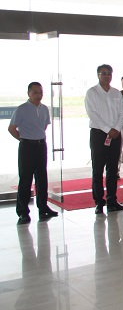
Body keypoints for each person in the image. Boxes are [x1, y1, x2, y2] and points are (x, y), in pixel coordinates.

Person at [9, 82, 58, 224]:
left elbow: (44, 127)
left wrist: (36, 138)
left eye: (40, 92)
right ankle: (23, 212)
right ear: (28, 93)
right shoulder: (21, 109)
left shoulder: (44, 109)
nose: (38, 95)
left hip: (41, 145)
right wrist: (24, 139)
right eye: (35, 92)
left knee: (42, 178)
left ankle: (43, 208)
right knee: (25, 179)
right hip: (27, 147)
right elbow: (12, 128)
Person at [84, 64, 123, 215]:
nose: (107, 76)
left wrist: (116, 128)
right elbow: (92, 114)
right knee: (98, 169)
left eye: (109, 73)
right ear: (98, 75)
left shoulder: (116, 93)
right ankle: (99, 202)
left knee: (112, 169)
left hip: (115, 134)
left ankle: (112, 200)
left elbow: (122, 112)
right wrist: (108, 129)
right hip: (99, 134)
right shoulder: (92, 92)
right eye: (104, 73)